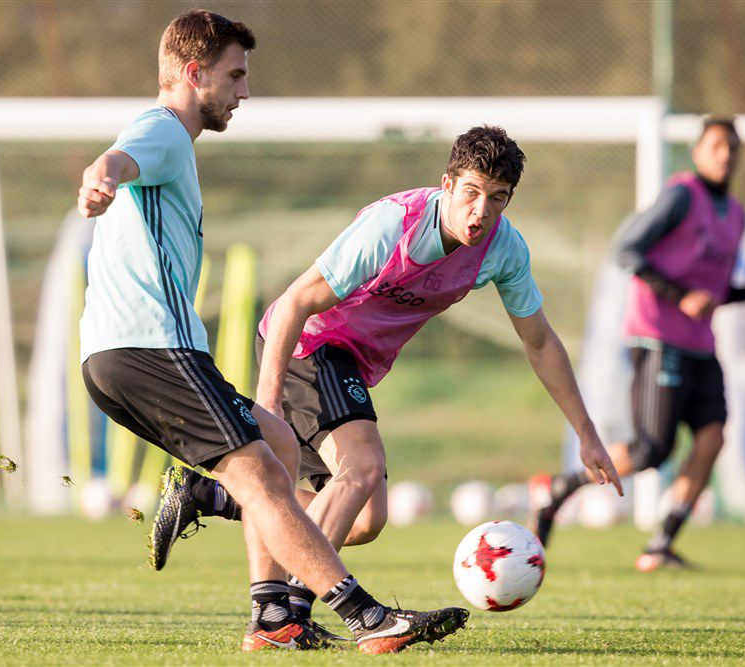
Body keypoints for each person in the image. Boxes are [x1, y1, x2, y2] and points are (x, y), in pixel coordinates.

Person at [77, 9, 467, 653]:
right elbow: (119, 159)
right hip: (149, 346)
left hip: (117, 357)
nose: (244, 91)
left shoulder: (169, 138)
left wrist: (108, 178)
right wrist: (102, 178)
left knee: (278, 448)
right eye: (235, 75)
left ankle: (271, 618)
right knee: (260, 474)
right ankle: (367, 617)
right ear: (194, 73)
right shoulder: (164, 129)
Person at [152, 125, 623, 629]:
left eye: (496, 198)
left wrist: (587, 434)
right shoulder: (393, 224)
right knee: (364, 465)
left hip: (349, 363)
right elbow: (294, 303)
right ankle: (291, 614)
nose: (480, 212)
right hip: (310, 342)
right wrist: (267, 408)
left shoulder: (504, 249)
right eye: (470, 193)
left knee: (364, 520)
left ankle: (208, 496)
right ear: (447, 184)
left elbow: (541, 342)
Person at [529, 116, 745, 571]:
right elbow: (627, 250)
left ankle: (661, 544)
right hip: (658, 338)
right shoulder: (681, 195)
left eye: (733, 147)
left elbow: (711, 292)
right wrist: (680, 296)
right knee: (651, 450)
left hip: (702, 346)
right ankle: (559, 489)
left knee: (712, 437)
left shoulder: (738, 215)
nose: (726, 154)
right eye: (717, 145)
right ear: (699, 152)